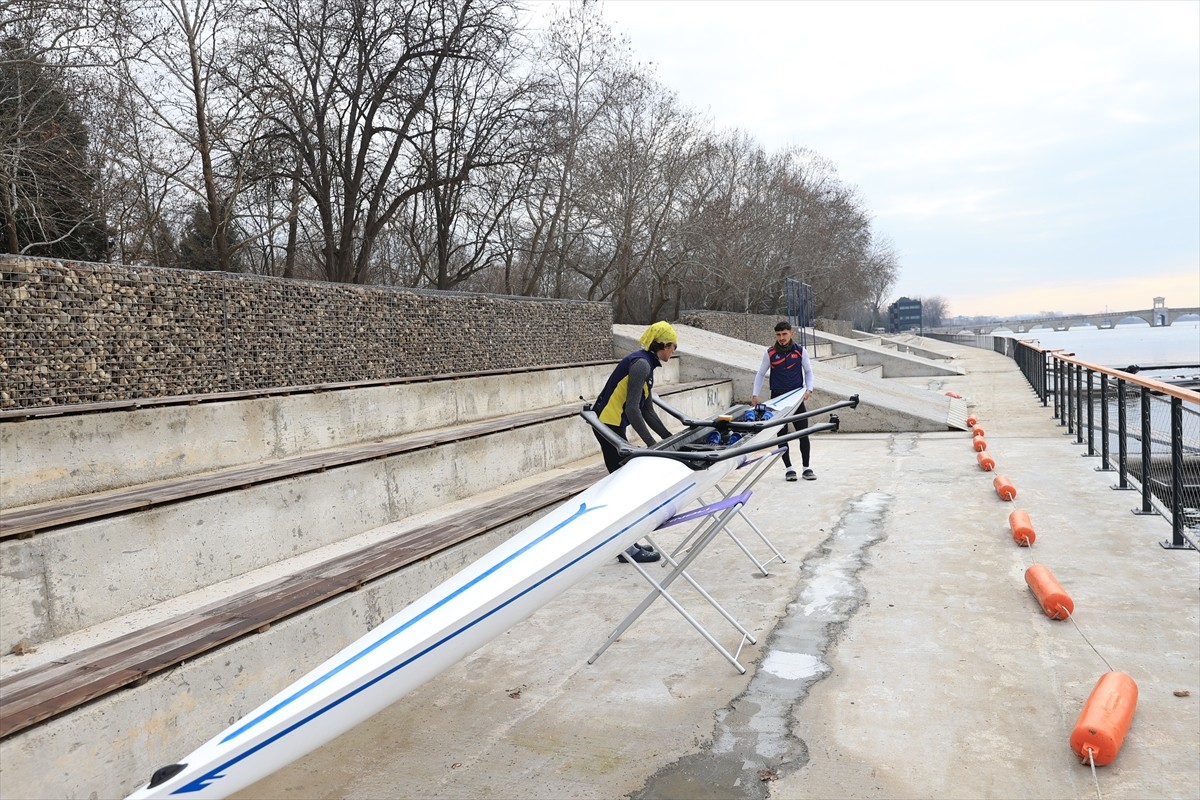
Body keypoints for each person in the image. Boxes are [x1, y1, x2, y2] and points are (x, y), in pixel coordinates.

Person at [591, 321, 678, 563]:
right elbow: (632, 409)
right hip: (607, 427)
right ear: (663, 345)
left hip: (614, 425)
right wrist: (653, 447)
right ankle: (624, 548)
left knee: (624, 486)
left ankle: (626, 544)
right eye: (673, 346)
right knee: (623, 489)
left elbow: (647, 411)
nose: (674, 350)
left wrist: (669, 441)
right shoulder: (641, 365)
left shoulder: (647, 364)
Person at [751, 321, 816, 482]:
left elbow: (808, 371)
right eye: (778, 335)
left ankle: (807, 468)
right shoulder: (770, 353)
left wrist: (809, 389)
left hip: (797, 399)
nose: (781, 338)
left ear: (791, 334)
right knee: (782, 435)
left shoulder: (800, 351)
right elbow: (760, 374)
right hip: (777, 399)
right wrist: (755, 394)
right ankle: (789, 469)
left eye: (784, 334)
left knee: (804, 433)